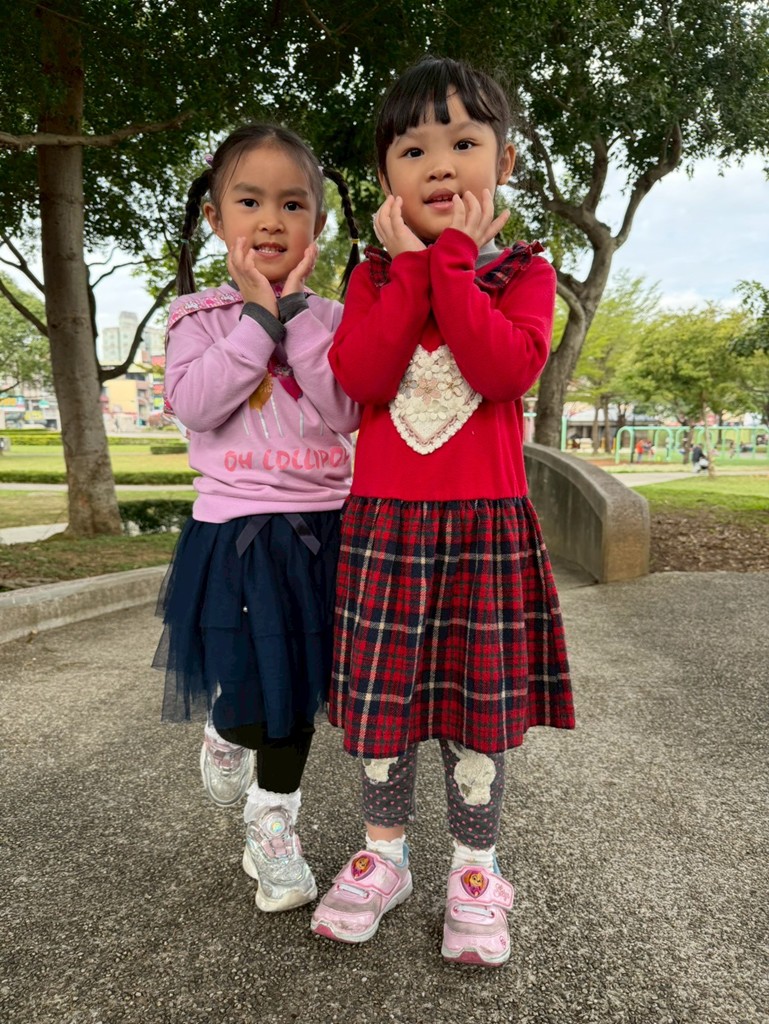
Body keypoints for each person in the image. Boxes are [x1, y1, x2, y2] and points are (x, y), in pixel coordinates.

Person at [311, 57, 574, 966]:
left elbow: (502, 370)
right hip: (385, 526)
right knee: (383, 706)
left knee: (476, 708)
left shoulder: (525, 274)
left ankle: (475, 870)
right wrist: (412, 272)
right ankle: (383, 857)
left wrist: (453, 265)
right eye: (412, 148)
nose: (439, 165)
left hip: (483, 528)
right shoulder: (371, 278)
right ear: (385, 174)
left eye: (463, 142)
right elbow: (363, 375)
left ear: (504, 162)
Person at [153, 124, 360, 913]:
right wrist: (257, 320)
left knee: (299, 687)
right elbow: (196, 403)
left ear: (318, 224)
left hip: (322, 533)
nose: (271, 220)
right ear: (215, 218)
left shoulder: (333, 317)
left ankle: (272, 822)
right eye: (249, 202)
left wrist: (296, 318)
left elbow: (345, 410)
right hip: (235, 537)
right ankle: (225, 729)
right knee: (246, 687)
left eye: (292, 204)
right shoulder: (196, 316)